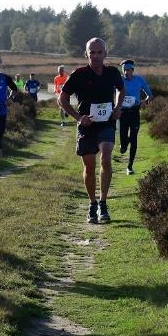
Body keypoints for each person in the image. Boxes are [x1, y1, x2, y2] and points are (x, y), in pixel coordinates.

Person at [58, 38, 125, 224]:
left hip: (106, 123)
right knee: (89, 166)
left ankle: (103, 203)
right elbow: (62, 99)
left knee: (105, 157)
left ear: (105, 53)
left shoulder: (112, 72)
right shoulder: (78, 75)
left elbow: (121, 89)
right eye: (91, 52)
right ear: (86, 54)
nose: (95, 56)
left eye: (99, 52)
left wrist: (118, 107)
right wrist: (79, 118)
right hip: (87, 126)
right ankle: (92, 203)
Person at [118, 59, 153, 175]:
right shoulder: (119, 80)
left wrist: (145, 102)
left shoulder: (139, 80)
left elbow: (149, 94)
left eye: (128, 70)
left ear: (132, 70)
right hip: (122, 112)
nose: (126, 72)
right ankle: (123, 144)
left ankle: (130, 166)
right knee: (123, 140)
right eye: (124, 70)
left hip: (134, 112)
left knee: (134, 138)